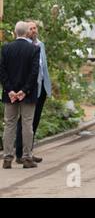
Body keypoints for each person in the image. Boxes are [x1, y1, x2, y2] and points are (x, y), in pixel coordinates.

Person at [1, 21, 40, 169]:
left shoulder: (6, 48)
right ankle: (27, 158)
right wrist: (24, 90)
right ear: (27, 32)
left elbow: (2, 71)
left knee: (9, 124)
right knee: (27, 124)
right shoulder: (33, 49)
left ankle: (7, 158)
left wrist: (10, 90)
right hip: (27, 95)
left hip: (9, 94)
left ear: (15, 32)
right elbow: (34, 72)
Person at [15, 20, 52, 165]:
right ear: (25, 31)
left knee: (34, 122)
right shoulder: (23, 46)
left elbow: (44, 68)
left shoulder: (40, 44)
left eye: (35, 28)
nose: (34, 30)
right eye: (31, 28)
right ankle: (19, 154)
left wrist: (47, 87)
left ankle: (28, 152)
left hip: (41, 88)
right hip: (28, 89)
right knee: (23, 122)